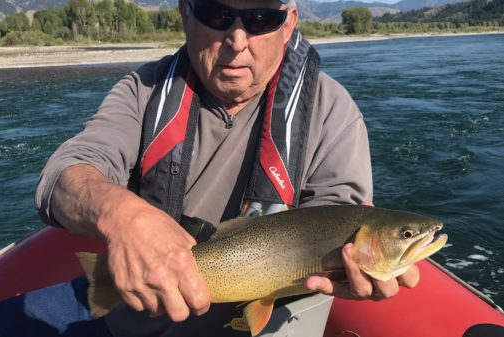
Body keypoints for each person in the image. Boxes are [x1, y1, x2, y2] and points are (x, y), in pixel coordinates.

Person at [33, 0, 420, 336]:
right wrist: (119, 214)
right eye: (217, 14)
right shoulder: (143, 91)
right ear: (185, 11)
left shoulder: (331, 113)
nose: (237, 40)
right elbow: (62, 176)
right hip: (140, 319)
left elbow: (337, 223)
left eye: (261, 19)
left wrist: (366, 269)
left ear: (288, 25)